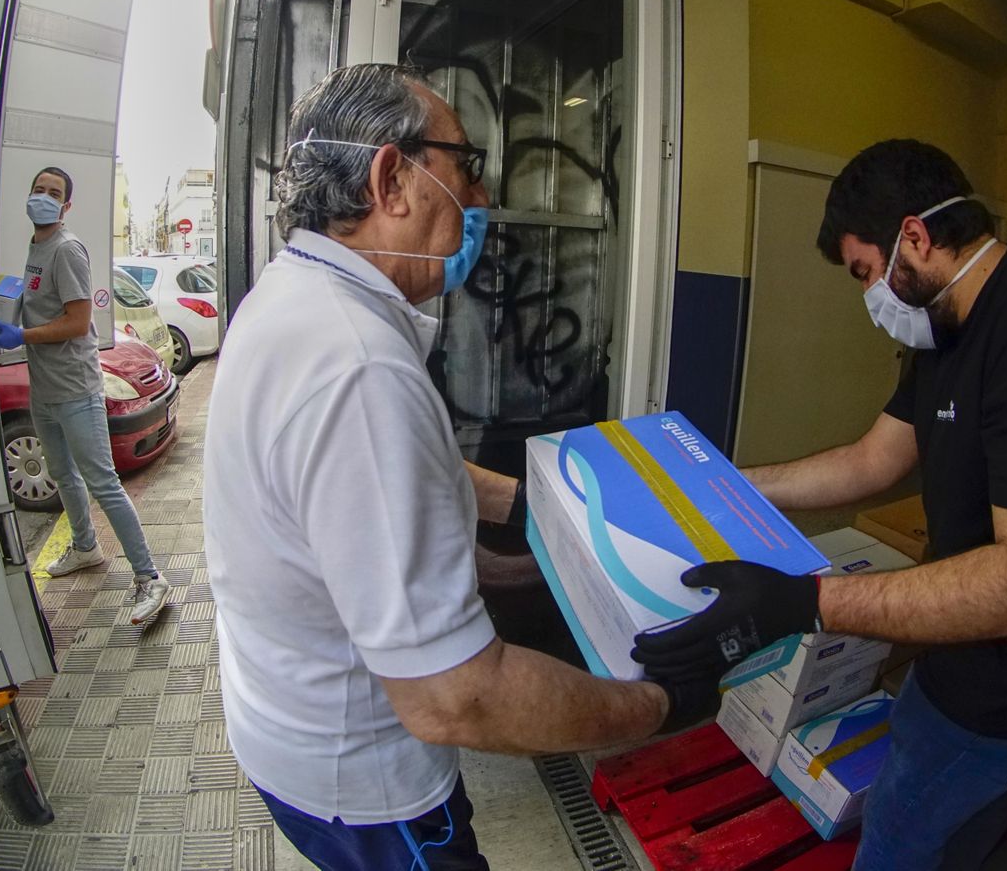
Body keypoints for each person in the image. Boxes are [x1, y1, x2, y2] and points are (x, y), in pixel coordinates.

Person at [202, 64, 708, 871]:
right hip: (368, 789)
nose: (480, 200)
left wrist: (544, 516)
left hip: (284, 733)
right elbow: (459, 696)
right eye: (466, 167)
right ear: (391, 178)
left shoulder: (293, 300)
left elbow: (369, 495)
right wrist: (658, 702)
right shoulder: (358, 366)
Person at [633, 139, 1007, 871]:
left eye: (866, 272)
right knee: (951, 792)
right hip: (982, 650)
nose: (870, 297)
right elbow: (873, 460)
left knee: (900, 822)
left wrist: (805, 602)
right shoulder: (945, 328)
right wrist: (724, 485)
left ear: (915, 236)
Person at [0, 167, 169, 626]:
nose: (44, 198)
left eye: (54, 194)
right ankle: (86, 547)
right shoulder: (36, 248)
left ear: (66, 206)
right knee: (62, 475)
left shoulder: (67, 249)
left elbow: (76, 321)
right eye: (39, 190)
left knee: (103, 482)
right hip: (45, 389)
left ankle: (150, 577)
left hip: (75, 389)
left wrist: (21, 335)